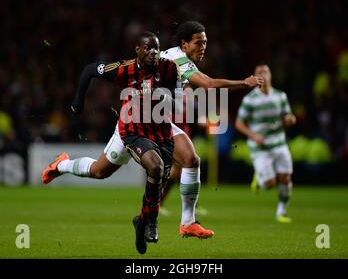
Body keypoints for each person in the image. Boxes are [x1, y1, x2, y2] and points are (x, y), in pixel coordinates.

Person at [42, 21, 263, 239]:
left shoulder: (176, 59)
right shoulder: (176, 61)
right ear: (184, 44)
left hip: (160, 123)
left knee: (191, 159)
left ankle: (188, 223)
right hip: (133, 126)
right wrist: (245, 82)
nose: (203, 47)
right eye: (198, 42)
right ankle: (61, 165)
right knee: (100, 171)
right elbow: (209, 84)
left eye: (205, 42)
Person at [42, 32, 180, 254]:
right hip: (130, 130)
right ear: (137, 50)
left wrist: (164, 97)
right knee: (155, 167)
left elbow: (178, 101)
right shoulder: (124, 69)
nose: (153, 52)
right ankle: (152, 222)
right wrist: (78, 101)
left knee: (99, 171)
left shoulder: (169, 68)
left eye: (156, 48)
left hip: (161, 134)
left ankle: (63, 165)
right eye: (148, 48)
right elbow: (89, 70)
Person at [235, 64, 296, 223]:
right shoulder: (250, 99)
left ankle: (281, 212)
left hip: (279, 143)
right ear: (254, 77)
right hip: (260, 147)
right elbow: (239, 123)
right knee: (270, 184)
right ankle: (260, 179)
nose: (263, 74)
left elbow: (287, 117)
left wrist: (290, 119)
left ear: (270, 75)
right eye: (259, 72)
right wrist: (253, 135)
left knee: (286, 178)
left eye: (266, 71)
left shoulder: (280, 96)